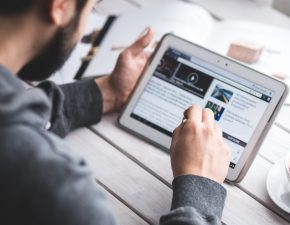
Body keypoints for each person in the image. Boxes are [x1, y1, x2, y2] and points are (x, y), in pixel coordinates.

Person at [0, 0, 231, 224]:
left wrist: (107, 92)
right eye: (93, 7)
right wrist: (200, 186)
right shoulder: (59, 191)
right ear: (60, 5)